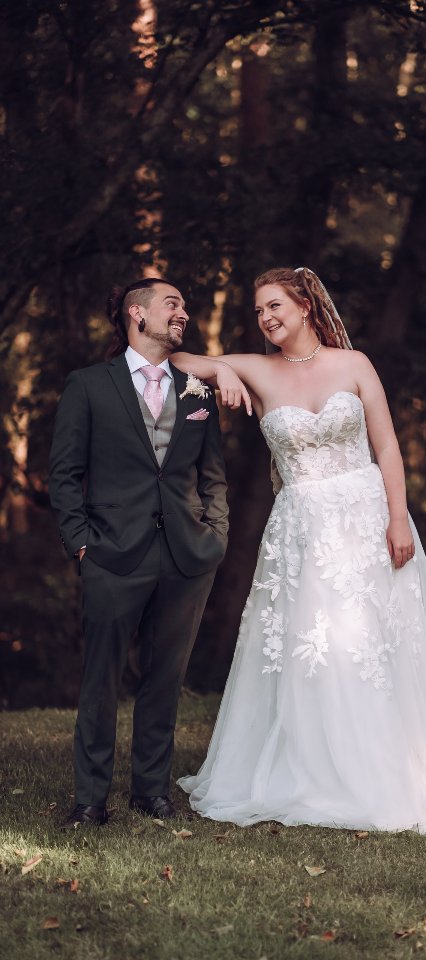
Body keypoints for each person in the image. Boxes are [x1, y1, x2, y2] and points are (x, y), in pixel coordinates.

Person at [170, 266, 426, 833]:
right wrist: (220, 369)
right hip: (303, 528)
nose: (266, 318)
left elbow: (386, 448)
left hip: (368, 518)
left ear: (306, 305)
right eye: (259, 310)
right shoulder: (258, 370)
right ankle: (321, 770)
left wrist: (397, 519)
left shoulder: (354, 364)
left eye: (275, 306)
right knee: (315, 645)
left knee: (379, 643)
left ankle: (401, 766)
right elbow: (176, 361)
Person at [49, 277, 250, 830]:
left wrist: (216, 535)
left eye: (184, 304)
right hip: (112, 554)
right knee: (101, 680)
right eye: (173, 303)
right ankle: (90, 800)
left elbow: (213, 475)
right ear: (137, 314)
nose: (183, 312)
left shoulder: (196, 389)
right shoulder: (89, 386)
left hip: (187, 556)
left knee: (165, 677)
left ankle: (150, 791)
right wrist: (82, 543)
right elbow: (64, 475)